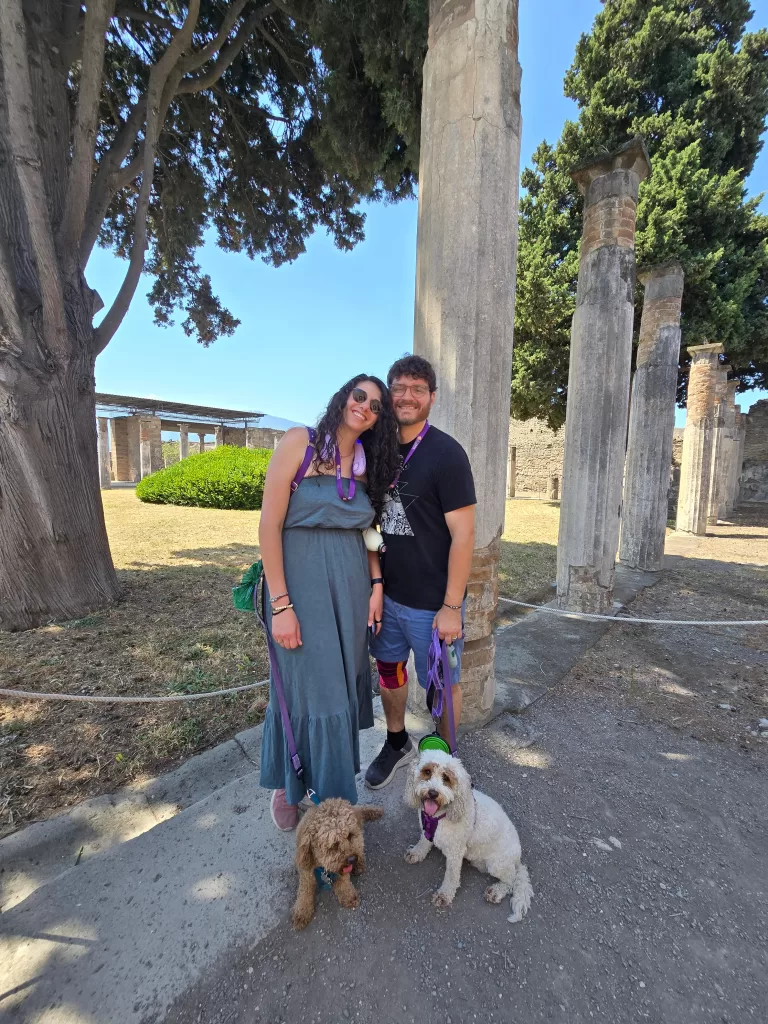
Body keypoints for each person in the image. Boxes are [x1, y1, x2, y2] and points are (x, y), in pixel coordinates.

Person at [259, 375, 400, 829]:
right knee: (308, 686)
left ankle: (333, 797)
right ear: (344, 397)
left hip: (352, 589)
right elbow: (268, 526)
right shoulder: (299, 442)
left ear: (378, 420)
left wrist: (376, 585)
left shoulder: (365, 465)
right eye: (360, 396)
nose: (365, 406)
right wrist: (281, 605)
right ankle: (292, 781)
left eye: (376, 405)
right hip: (301, 588)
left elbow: (368, 534)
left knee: (338, 688)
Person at [366, 355, 476, 789]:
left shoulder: (447, 454)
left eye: (417, 389)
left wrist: (451, 606)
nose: (407, 396)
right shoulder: (376, 449)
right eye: (399, 387)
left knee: (443, 685)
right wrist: (375, 586)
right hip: (388, 596)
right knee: (389, 671)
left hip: (433, 604)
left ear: (432, 397)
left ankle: (445, 760)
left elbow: (464, 535)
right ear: (388, 393)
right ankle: (397, 743)